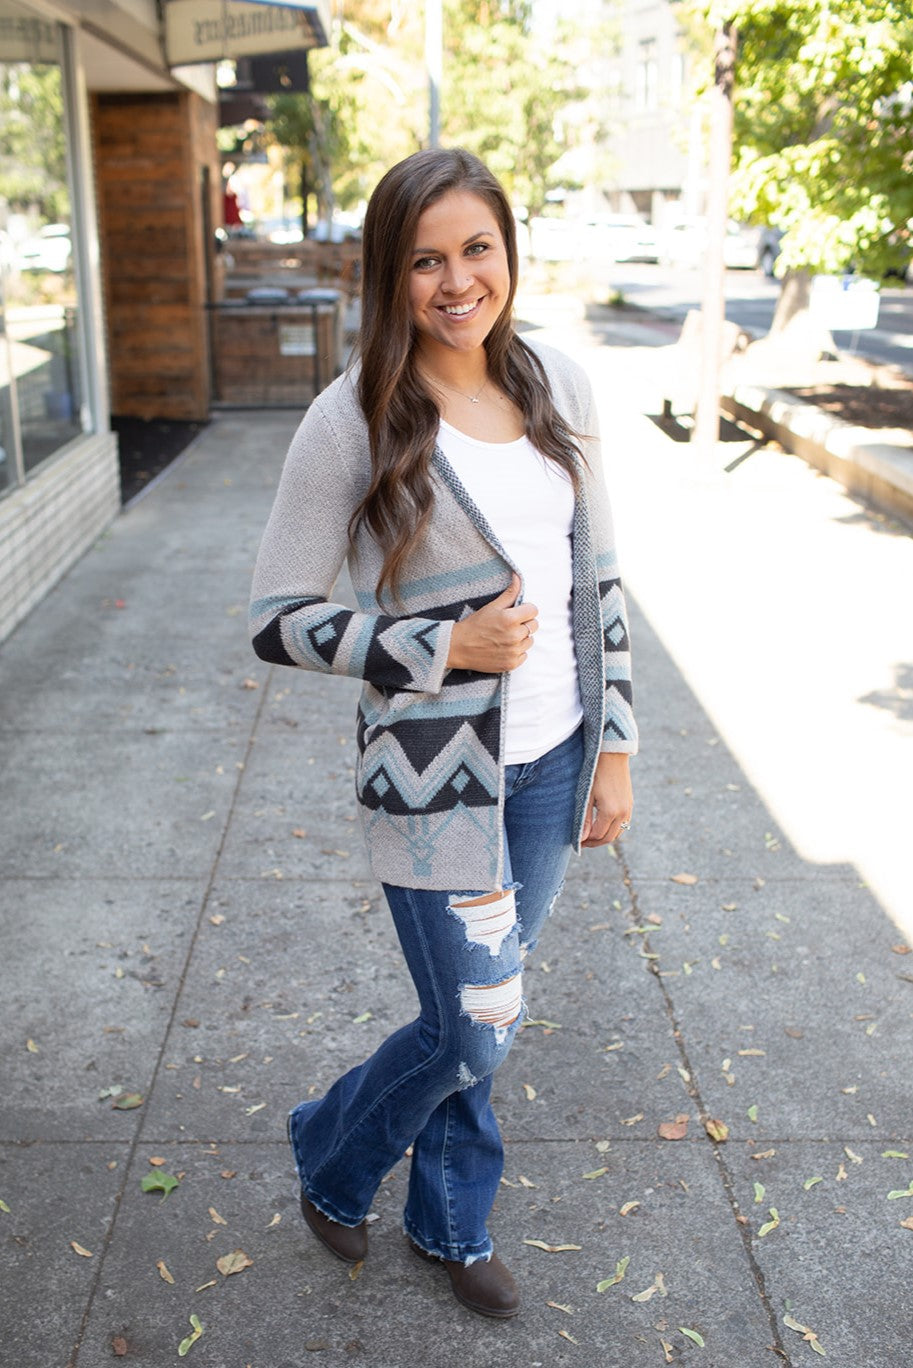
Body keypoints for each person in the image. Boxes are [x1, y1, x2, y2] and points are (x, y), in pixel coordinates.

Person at [249, 147, 637, 1320]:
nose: (456, 280)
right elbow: (276, 621)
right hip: (432, 783)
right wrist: (441, 649)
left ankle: (448, 1220)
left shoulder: (560, 384)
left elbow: (599, 579)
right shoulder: (351, 418)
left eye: (477, 249)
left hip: (554, 760)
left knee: (487, 1017)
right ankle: (333, 1146)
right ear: (390, 275)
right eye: (424, 259)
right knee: (474, 1023)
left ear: (509, 254)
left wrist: (614, 744)